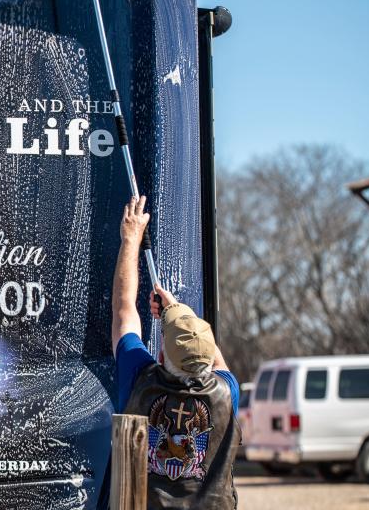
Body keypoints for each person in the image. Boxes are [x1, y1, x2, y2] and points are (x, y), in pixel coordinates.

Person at [112, 196, 240, 509]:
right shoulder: (228, 391)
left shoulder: (138, 377)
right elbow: (215, 361)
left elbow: (124, 310)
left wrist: (131, 239)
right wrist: (180, 315)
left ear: (160, 356)